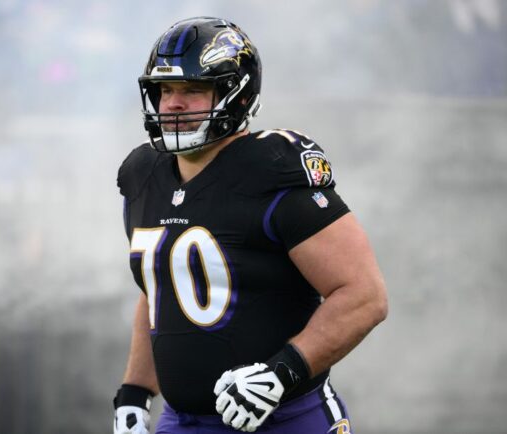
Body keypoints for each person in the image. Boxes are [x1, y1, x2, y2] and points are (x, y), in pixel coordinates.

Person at [113, 16, 387, 434]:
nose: (172, 104)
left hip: (285, 419)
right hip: (182, 423)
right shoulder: (143, 175)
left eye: (192, 91)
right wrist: (134, 393)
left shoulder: (272, 170)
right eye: (165, 90)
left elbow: (364, 295)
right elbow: (161, 290)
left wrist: (281, 374)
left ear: (235, 95)